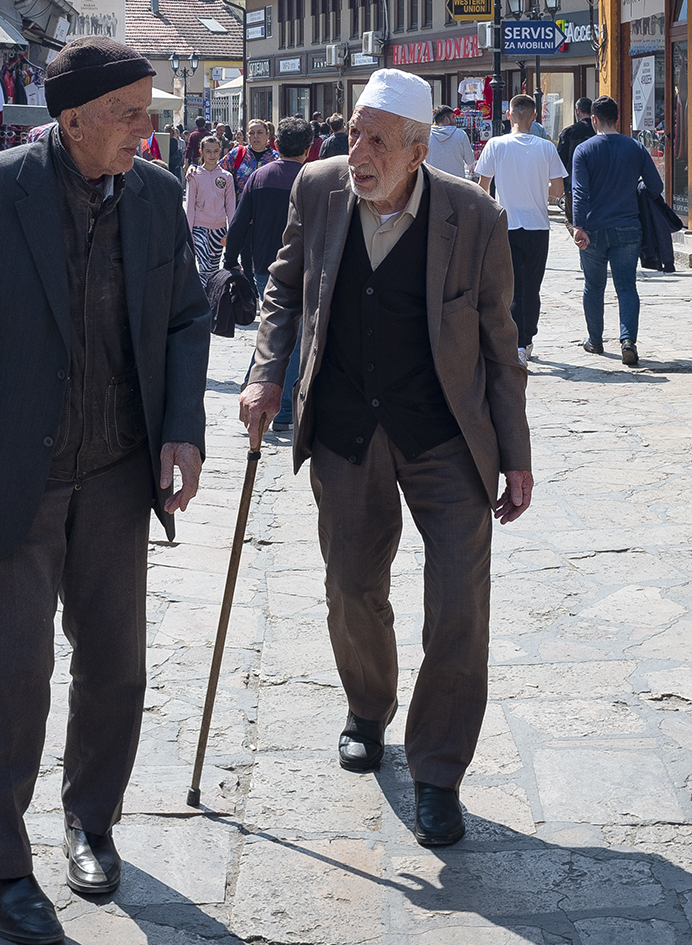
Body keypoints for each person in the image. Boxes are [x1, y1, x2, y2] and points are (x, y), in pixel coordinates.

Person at [0, 36, 210, 945]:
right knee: (16, 672)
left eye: (149, 112)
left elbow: (186, 317)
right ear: (71, 118)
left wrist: (183, 427)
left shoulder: (156, 198)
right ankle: (0, 866)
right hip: (8, 472)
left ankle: (91, 820)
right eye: (127, 114)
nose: (146, 130)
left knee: (117, 663)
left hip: (114, 469)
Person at [238, 67, 531, 850]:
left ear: (417, 148)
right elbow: (283, 287)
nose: (355, 150)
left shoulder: (474, 216)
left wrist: (518, 454)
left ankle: (438, 771)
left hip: (445, 436)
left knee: (460, 610)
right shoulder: (318, 189)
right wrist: (266, 373)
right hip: (345, 428)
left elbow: (501, 345)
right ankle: (369, 708)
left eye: (375, 138)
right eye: (353, 132)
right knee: (352, 588)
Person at [224, 115, 314, 427]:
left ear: (276, 143)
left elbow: (238, 223)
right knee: (294, 334)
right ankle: (285, 409)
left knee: (274, 326)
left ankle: (253, 387)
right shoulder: (312, 179)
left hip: (263, 265)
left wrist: (230, 261)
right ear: (308, 148)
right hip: (305, 266)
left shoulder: (259, 177)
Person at [475, 95, 565, 366]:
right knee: (532, 287)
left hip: (506, 224)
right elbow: (558, 190)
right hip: (538, 225)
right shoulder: (546, 147)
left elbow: (483, 188)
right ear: (534, 117)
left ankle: (515, 341)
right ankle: (527, 339)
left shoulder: (495, 145)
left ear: (509, 115)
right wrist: (538, 189)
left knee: (509, 286)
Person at [570, 96, 656, 367]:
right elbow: (655, 187)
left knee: (593, 286)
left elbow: (580, 193)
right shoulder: (636, 147)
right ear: (618, 118)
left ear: (593, 119)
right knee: (627, 286)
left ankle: (595, 340)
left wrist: (578, 226)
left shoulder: (584, 151)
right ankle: (628, 340)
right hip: (628, 226)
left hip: (593, 229)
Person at [184, 136, 236, 276]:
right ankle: (205, 297)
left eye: (215, 151)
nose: (212, 155)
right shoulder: (194, 176)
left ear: (220, 151)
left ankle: (213, 296)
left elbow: (230, 206)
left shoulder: (227, 177)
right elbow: (189, 206)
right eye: (208, 151)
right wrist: (189, 234)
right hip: (200, 228)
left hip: (219, 230)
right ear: (201, 152)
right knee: (204, 267)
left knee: (214, 268)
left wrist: (232, 231)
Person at [557, 97, 597, 227]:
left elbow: (560, 160)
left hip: (573, 184)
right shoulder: (597, 131)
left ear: (577, 111)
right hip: (597, 183)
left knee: (572, 219)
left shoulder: (569, 132)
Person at [425, 106, 475, 180]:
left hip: (433, 182)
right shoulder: (460, 134)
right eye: (453, 117)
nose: (455, 120)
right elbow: (470, 160)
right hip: (457, 182)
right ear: (446, 119)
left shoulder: (427, 135)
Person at [225, 119, 276, 191]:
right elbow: (219, 172)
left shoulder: (276, 158)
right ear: (247, 136)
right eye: (251, 133)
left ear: (267, 135)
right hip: (241, 201)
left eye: (260, 132)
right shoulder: (237, 153)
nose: (255, 136)